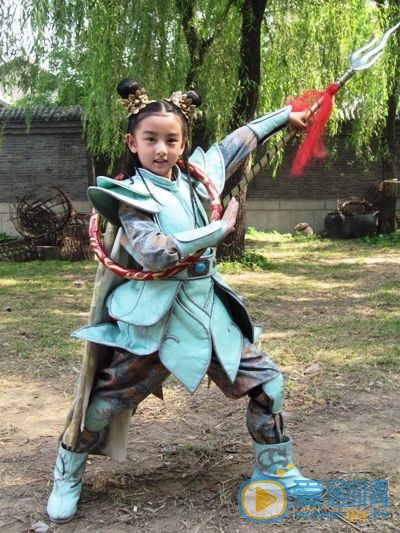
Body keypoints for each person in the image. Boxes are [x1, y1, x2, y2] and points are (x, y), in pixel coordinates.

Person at [46, 79, 323, 523]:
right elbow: (154, 251)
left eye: (171, 140)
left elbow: (239, 141)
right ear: (132, 143)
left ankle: (275, 470)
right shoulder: (130, 196)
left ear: (182, 142)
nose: (162, 149)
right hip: (154, 320)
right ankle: (67, 473)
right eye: (150, 139)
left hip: (208, 313)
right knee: (101, 404)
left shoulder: (199, 180)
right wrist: (217, 231)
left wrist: (285, 117)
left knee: (268, 383)